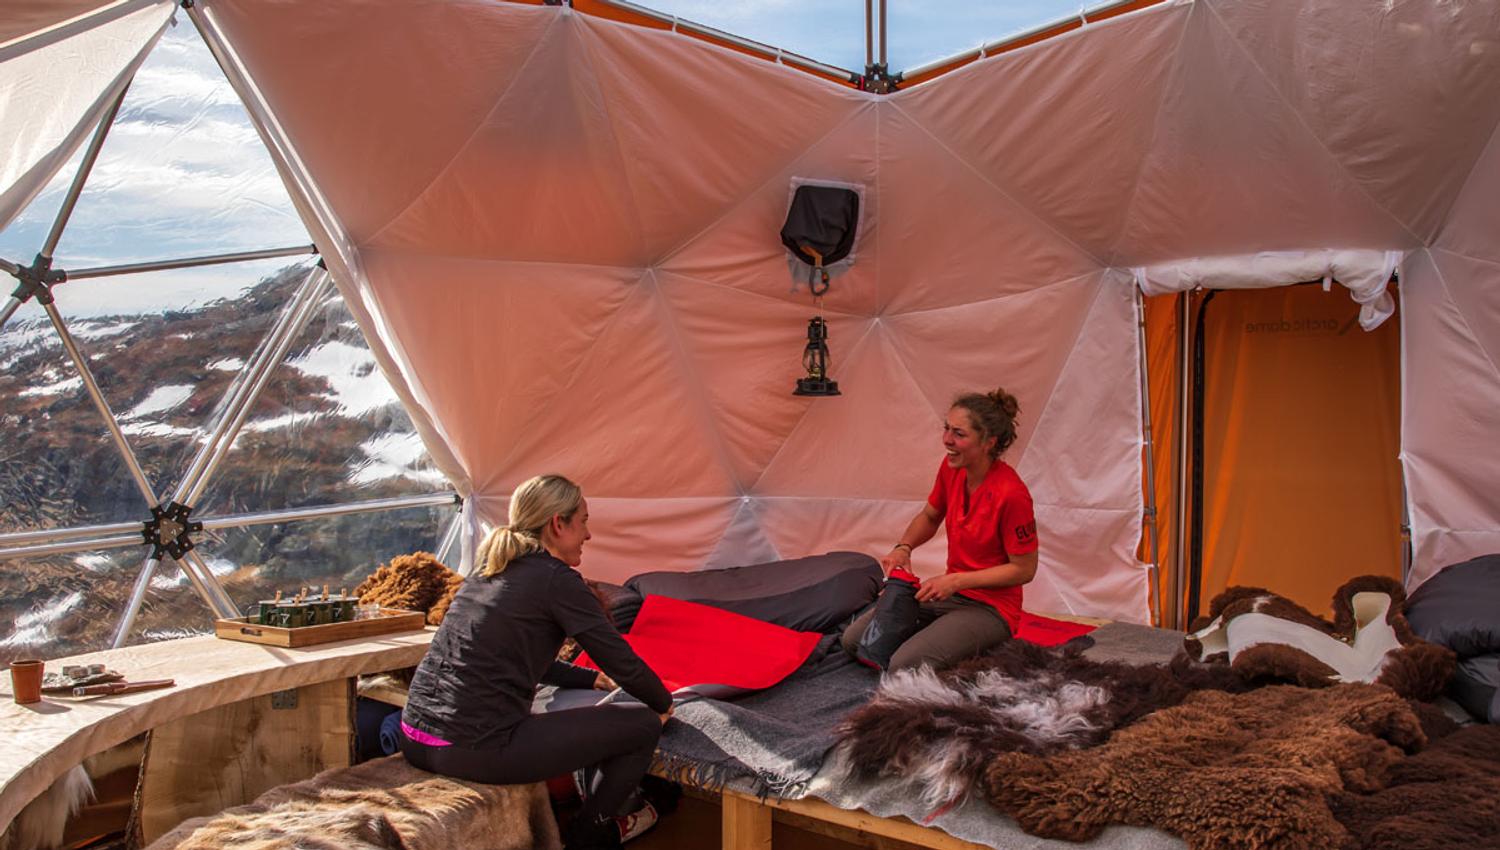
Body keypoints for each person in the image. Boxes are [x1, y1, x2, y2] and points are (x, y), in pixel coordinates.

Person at [399, 474, 673, 850]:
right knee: (642, 724)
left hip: (415, 735)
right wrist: (663, 703)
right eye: (584, 522)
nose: (588, 534)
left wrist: (589, 680)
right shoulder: (557, 580)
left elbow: (515, 656)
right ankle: (588, 834)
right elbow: (619, 659)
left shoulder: (488, 569)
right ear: (557, 524)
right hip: (473, 749)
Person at [841, 388, 1039, 672]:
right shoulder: (951, 469)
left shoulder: (1012, 494)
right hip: (950, 596)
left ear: (988, 442)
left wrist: (956, 581)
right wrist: (903, 547)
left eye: (959, 433)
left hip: (991, 609)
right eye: (946, 428)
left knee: (904, 665)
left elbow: (1024, 569)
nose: (947, 439)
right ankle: (948, 638)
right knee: (855, 641)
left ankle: (983, 643)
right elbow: (930, 516)